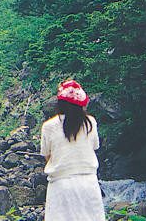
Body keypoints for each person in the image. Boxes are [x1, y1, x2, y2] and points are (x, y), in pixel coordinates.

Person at [39, 79, 105, 220]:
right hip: (88, 183)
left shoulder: (49, 126)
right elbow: (94, 147)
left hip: (61, 186)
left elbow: (47, 156)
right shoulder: (90, 123)